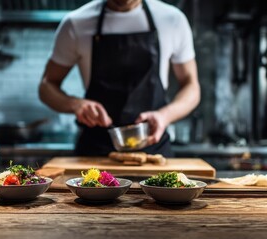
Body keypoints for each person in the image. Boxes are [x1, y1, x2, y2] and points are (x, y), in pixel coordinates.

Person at [39, 0, 200, 157]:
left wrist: (165, 115)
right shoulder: (75, 23)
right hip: (95, 153)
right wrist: (76, 104)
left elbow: (191, 86)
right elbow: (47, 85)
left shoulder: (172, 20)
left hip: (154, 149)